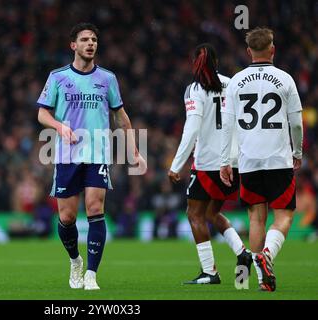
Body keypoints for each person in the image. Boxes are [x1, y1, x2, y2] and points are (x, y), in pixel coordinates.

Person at [37, 22, 146, 290]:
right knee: (67, 218)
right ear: (73, 45)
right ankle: (75, 261)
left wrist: (133, 151)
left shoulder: (107, 79)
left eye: (94, 40)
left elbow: (121, 117)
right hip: (67, 155)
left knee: (96, 209)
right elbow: (42, 113)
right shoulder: (58, 76)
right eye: (85, 39)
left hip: (98, 153)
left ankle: (91, 274)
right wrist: (60, 127)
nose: (90, 44)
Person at [220, 27, 303, 292]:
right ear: (272, 49)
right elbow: (297, 123)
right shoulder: (285, 79)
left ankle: (260, 280)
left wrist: (225, 161)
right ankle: (268, 255)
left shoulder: (235, 81)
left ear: (248, 52)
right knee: (285, 216)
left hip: (248, 162)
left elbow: (228, 125)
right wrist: (297, 152)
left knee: (256, 218)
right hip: (278, 160)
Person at [168, 43, 252, 285]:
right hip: (235, 161)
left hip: (208, 163)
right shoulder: (234, 84)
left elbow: (192, 127)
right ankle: (242, 252)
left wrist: (177, 164)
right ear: (217, 62)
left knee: (194, 213)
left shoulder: (194, 89)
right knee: (212, 212)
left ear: (195, 64)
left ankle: (210, 272)